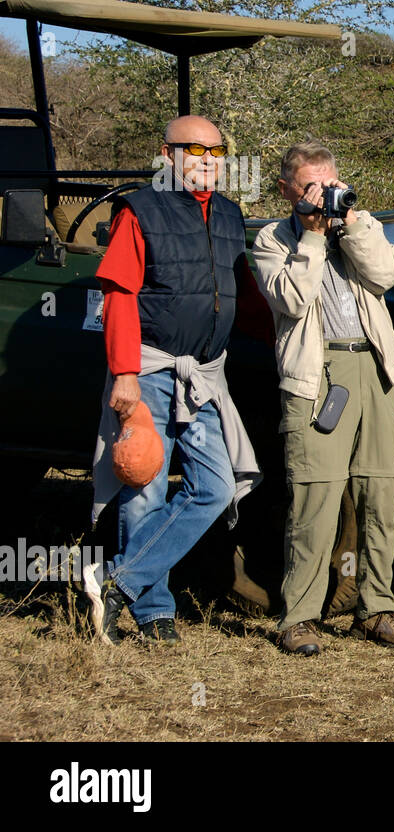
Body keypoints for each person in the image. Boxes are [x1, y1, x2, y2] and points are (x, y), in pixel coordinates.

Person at [86, 115, 261, 645]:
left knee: (216, 487)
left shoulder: (230, 215)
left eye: (217, 151)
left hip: (204, 377)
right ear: (168, 153)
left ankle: (119, 580)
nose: (208, 160)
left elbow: (244, 296)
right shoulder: (141, 209)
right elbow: (117, 295)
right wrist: (125, 374)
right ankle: (154, 611)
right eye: (195, 150)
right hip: (151, 371)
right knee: (144, 486)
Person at [251, 140, 394, 656]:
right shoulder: (271, 239)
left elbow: (389, 273)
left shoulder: (358, 223)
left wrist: (346, 224)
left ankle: (378, 607)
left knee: (380, 493)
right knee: (315, 496)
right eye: (312, 186)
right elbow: (291, 298)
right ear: (286, 189)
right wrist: (312, 236)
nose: (326, 194)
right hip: (316, 375)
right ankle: (298, 617)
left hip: (375, 368)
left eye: (332, 182)